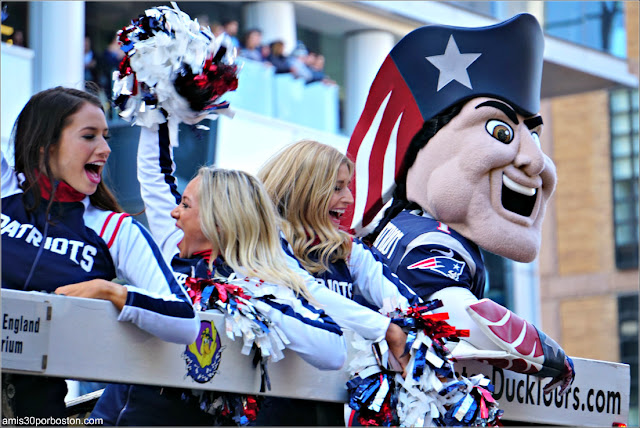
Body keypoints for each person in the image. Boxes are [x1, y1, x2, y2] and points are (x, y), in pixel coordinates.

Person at [344, 13, 575, 396]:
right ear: (422, 148)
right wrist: (551, 356)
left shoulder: (406, 228)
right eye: (500, 130)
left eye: (533, 135)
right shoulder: (425, 238)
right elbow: (456, 314)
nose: (534, 161)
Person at [89, 123, 348, 425]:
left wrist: (247, 301)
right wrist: (156, 105)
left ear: (218, 224)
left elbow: (332, 351)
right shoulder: (171, 255)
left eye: (185, 205)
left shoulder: (259, 285)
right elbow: (155, 179)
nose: (174, 213)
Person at [0, 86, 199, 418]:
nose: (105, 149)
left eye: (105, 136)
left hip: (32, 409)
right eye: (89, 136)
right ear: (45, 145)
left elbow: (184, 321)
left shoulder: (115, 229)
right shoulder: (5, 190)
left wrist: (110, 291)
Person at [257, 139, 421, 425]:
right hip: (271, 407)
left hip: (329, 405)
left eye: (347, 186)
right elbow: (305, 291)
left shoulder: (348, 251)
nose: (348, 198)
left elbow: (410, 307)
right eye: (336, 188)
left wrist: (405, 328)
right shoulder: (262, 244)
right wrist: (386, 329)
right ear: (303, 191)